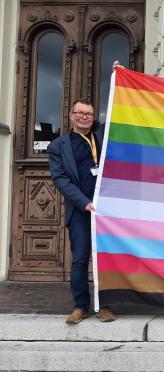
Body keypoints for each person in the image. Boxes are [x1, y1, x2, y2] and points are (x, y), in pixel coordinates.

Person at [47, 98, 115, 324]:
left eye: (89, 114)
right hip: (80, 211)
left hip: (106, 211)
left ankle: (103, 305)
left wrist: (120, 75)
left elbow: (119, 109)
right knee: (80, 259)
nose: (84, 117)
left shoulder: (103, 138)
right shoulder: (58, 146)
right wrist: (84, 202)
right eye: (80, 113)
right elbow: (60, 179)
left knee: (105, 259)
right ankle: (80, 306)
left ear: (93, 117)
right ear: (71, 116)